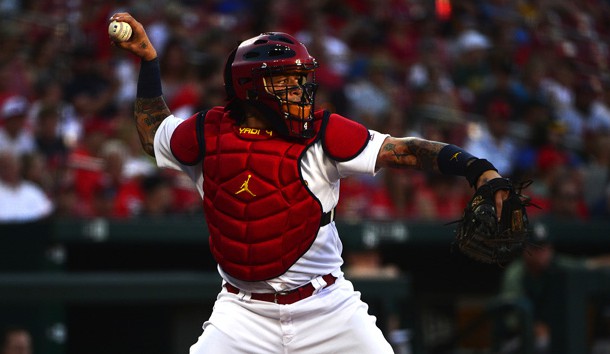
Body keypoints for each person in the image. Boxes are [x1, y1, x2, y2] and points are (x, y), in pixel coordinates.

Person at [110, 12, 510, 354]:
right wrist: (149, 62)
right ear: (251, 87)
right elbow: (153, 134)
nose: (301, 90)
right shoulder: (206, 133)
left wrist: (478, 170)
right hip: (243, 314)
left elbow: (403, 150)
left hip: (327, 306)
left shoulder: (323, 130)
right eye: (286, 80)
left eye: (301, 79)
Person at [497, 222, 610, 354]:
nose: (543, 254)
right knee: (544, 341)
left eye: (546, 248)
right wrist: (533, 327)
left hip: (548, 336)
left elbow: (586, 265)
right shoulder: (516, 273)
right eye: (537, 249)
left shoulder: (557, 264)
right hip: (516, 338)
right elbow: (511, 319)